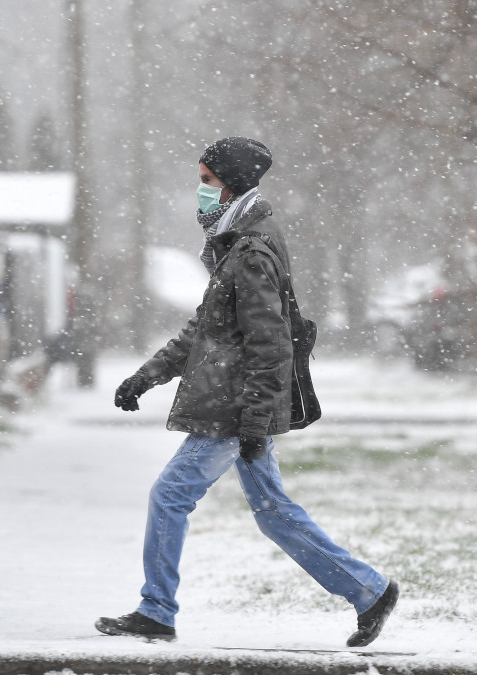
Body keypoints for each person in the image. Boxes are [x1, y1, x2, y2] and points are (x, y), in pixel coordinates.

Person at [95, 136, 399, 647]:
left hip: (235, 407)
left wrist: (255, 420)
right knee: (274, 512)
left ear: (231, 184)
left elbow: (271, 344)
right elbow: (206, 329)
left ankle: (156, 611)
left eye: (208, 181)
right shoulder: (236, 242)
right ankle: (370, 591)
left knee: (169, 496)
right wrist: (145, 376)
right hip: (238, 402)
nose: (201, 190)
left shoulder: (251, 250)